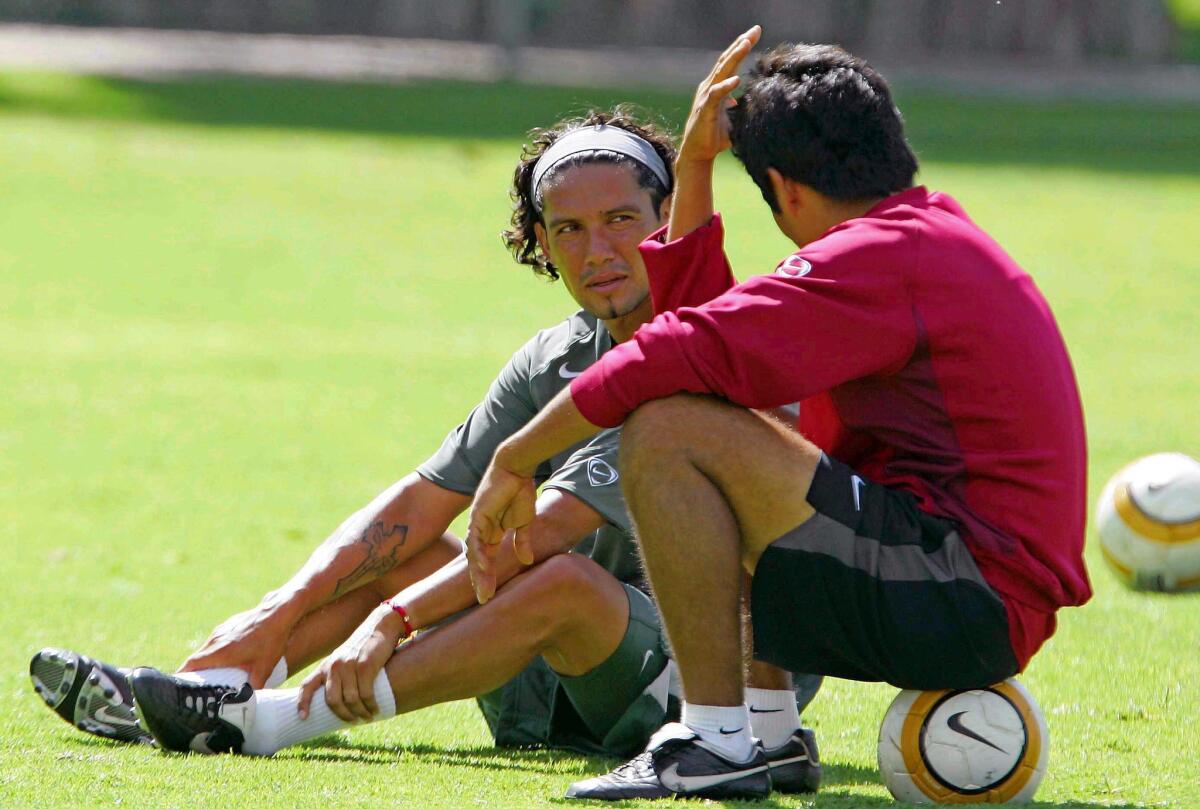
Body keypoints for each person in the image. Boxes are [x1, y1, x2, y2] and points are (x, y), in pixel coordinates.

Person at [31, 109, 821, 790]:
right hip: (558, 675)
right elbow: (420, 504)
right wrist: (279, 614)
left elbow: (539, 535)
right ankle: (202, 692)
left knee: (564, 584)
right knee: (395, 552)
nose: (598, 251)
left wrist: (394, 620)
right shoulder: (554, 354)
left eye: (622, 219)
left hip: (694, 694)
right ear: (542, 241)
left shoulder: (703, 352)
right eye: (570, 230)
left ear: (668, 219)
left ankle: (272, 722)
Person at [466, 27, 1091, 801]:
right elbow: (703, 344)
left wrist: (515, 457)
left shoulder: (881, 259)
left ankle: (715, 740)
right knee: (711, 415)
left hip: (964, 596)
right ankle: (764, 735)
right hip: (967, 586)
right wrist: (693, 164)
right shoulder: (915, 242)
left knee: (666, 424)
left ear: (786, 190)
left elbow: (674, 351)